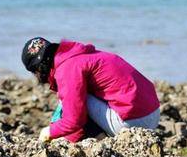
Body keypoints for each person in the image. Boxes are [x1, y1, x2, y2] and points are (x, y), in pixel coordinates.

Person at [21, 37, 160, 143]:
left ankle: (100, 142)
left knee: (71, 102)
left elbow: (74, 120)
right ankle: (98, 139)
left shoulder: (67, 69)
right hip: (152, 113)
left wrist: (50, 132)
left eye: (35, 72)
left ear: (40, 68)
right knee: (76, 97)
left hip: (135, 122)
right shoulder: (80, 56)